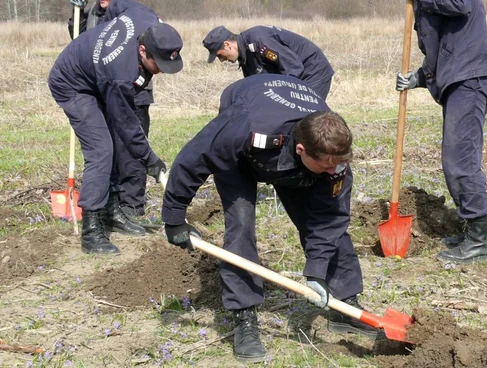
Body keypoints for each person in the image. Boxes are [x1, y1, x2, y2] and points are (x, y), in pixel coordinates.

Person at [161, 74, 379, 363]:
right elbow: (193, 159)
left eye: (337, 164)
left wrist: (316, 270)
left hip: (294, 158)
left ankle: (344, 304)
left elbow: (331, 217)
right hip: (243, 153)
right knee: (240, 226)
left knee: (330, 225)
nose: (332, 170)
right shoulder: (242, 126)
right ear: (302, 150)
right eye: (325, 165)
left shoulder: (332, 159)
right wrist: (174, 217)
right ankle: (244, 317)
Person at [49, 6, 184, 255]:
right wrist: (149, 159)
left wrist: (104, 29)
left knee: (109, 144)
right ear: (143, 50)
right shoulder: (121, 74)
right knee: (101, 150)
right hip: (72, 84)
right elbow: (127, 124)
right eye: (159, 64)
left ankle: (112, 213)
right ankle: (92, 232)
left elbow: (116, 4)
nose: (163, 70)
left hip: (96, 74)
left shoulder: (146, 16)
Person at [395, 0, 487, 264]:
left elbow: (460, 5)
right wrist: (421, 76)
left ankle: (479, 241)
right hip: (459, 77)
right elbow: (443, 46)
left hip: (471, 76)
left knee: (460, 160)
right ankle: (474, 231)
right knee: (455, 159)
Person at [68, 0, 158, 218]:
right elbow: (79, 40)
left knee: (131, 149)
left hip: (132, 90)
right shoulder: (92, 14)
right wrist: (76, 13)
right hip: (101, 90)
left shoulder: (133, 13)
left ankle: (132, 207)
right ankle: (111, 204)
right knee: (105, 148)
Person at [202, 25, 334, 100]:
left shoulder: (259, 41)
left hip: (313, 70)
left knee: (305, 116)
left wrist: (283, 97)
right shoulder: (245, 54)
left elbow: (293, 68)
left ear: (227, 45)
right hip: (299, 71)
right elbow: (258, 84)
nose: (221, 60)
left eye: (219, 55)